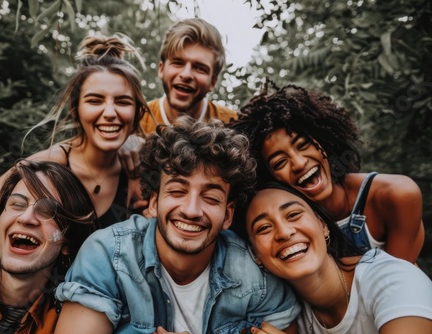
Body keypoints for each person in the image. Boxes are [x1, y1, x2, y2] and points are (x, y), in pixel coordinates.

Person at [0, 34, 149, 317]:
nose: (110, 113)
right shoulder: (48, 164)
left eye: (122, 102)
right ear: (75, 111)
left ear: (137, 111)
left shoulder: (140, 169)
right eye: (95, 100)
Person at [54, 117, 300, 333]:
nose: (191, 211)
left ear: (227, 214)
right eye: (177, 191)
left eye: (211, 198)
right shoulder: (106, 255)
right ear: (153, 202)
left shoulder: (256, 275)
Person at [230, 80, 424, 262]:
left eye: (303, 144)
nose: (298, 163)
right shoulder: (285, 230)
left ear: (323, 141)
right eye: (280, 162)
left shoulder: (396, 195)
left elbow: (398, 286)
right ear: (270, 177)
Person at [242, 182, 432, 334]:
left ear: (322, 225)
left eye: (293, 214)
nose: (283, 232)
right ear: (256, 254)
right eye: (264, 228)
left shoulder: (392, 280)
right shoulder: (282, 317)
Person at [0, 160, 97, 333]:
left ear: (67, 242)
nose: (26, 218)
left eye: (47, 210)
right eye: (17, 204)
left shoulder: (69, 320)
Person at [118, 18, 239, 176]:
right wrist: (116, 144)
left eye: (200, 68)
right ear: (161, 69)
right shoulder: (133, 120)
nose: (186, 74)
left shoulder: (234, 125)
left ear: (213, 82)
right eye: (177, 63)